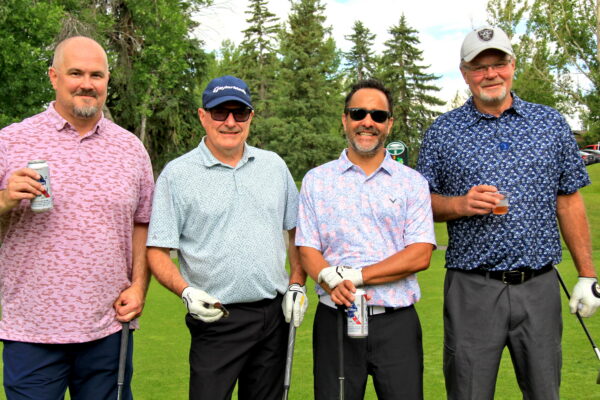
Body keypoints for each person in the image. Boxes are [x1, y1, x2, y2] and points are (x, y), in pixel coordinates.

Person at [416, 26, 600, 400]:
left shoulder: (550, 123)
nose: (491, 74)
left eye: (498, 63)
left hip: (539, 286)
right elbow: (420, 203)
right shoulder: (443, 131)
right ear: (465, 73)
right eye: (479, 67)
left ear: (512, 65)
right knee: (468, 392)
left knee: (544, 391)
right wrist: (460, 205)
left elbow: (568, 200)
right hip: (472, 287)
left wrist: (587, 275)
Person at [0, 36, 154, 399]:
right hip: (31, 331)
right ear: (54, 77)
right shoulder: (10, 142)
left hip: (108, 329)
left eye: (96, 75)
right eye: (76, 73)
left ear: (107, 80)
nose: (87, 83)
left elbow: (143, 223)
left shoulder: (130, 149)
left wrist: (138, 286)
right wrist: (5, 198)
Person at [146, 75, 307, 400]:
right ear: (203, 116)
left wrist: (296, 283)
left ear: (251, 117)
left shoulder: (273, 166)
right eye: (220, 112)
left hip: (274, 316)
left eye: (240, 113)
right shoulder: (178, 174)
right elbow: (157, 251)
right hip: (215, 318)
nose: (230, 122)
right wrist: (186, 292)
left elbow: (298, 233)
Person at [296, 79, 436, 400]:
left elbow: (420, 254)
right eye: (358, 113)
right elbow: (307, 248)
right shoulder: (317, 180)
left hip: (396, 323)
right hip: (335, 321)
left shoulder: (412, 183)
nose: (367, 122)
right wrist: (329, 278)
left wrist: (357, 276)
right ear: (345, 119)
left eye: (378, 115)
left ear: (389, 124)